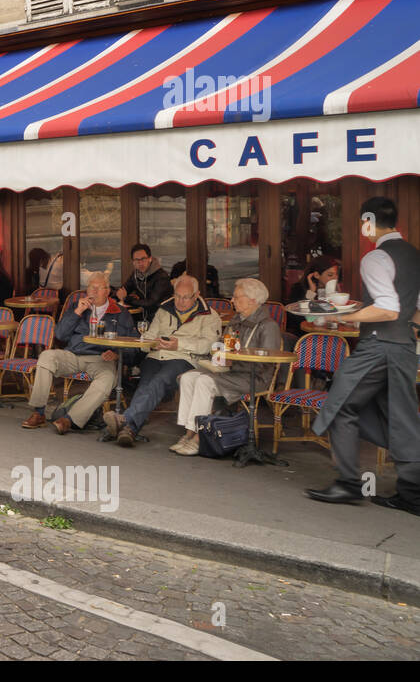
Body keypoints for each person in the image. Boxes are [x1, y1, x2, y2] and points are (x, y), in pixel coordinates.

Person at [306, 198, 420, 515]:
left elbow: (386, 308)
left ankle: (348, 483)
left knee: (341, 404)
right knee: (404, 416)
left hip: (377, 345)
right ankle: (413, 494)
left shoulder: (376, 257)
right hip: (404, 346)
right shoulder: (414, 255)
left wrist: (344, 316)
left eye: (362, 222)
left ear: (368, 221)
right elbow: (416, 311)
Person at [106, 275, 221, 447]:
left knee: (159, 381)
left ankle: (125, 420)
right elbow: (151, 336)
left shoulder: (209, 315)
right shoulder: (164, 309)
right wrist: (148, 343)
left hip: (184, 359)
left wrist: (179, 345)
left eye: (185, 297)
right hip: (156, 356)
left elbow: (209, 345)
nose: (180, 301)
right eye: (177, 296)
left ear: (196, 295)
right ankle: (129, 429)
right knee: (146, 384)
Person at [171, 278, 281, 455]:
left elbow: (267, 362)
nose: (232, 300)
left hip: (253, 377)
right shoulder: (236, 321)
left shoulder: (268, 326)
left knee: (204, 382)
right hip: (230, 372)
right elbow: (223, 346)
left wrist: (234, 360)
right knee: (188, 377)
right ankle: (189, 433)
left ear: (253, 300)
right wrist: (220, 356)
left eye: (237, 297)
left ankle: (200, 437)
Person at [22, 272, 136, 434]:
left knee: (108, 378)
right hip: (74, 355)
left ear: (107, 291)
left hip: (101, 359)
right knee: (47, 357)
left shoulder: (120, 313)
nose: (94, 292)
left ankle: (70, 419)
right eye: (91, 288)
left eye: (98, 288)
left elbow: (133, 345)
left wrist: (117, 354)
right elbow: (60, 334)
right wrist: (77, 312)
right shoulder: (78, 306)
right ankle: (39, 413)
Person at [117, 243, 172, 317]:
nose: (140, 263)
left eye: (143, 259)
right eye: (137, 260)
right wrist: (118, 293)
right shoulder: (136, 274)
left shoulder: (161, 277)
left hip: (160, 317)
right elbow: (124, 289)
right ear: (133, 262)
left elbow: (151, 303)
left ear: (150, 259)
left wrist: (127, 299)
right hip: (142, 316)